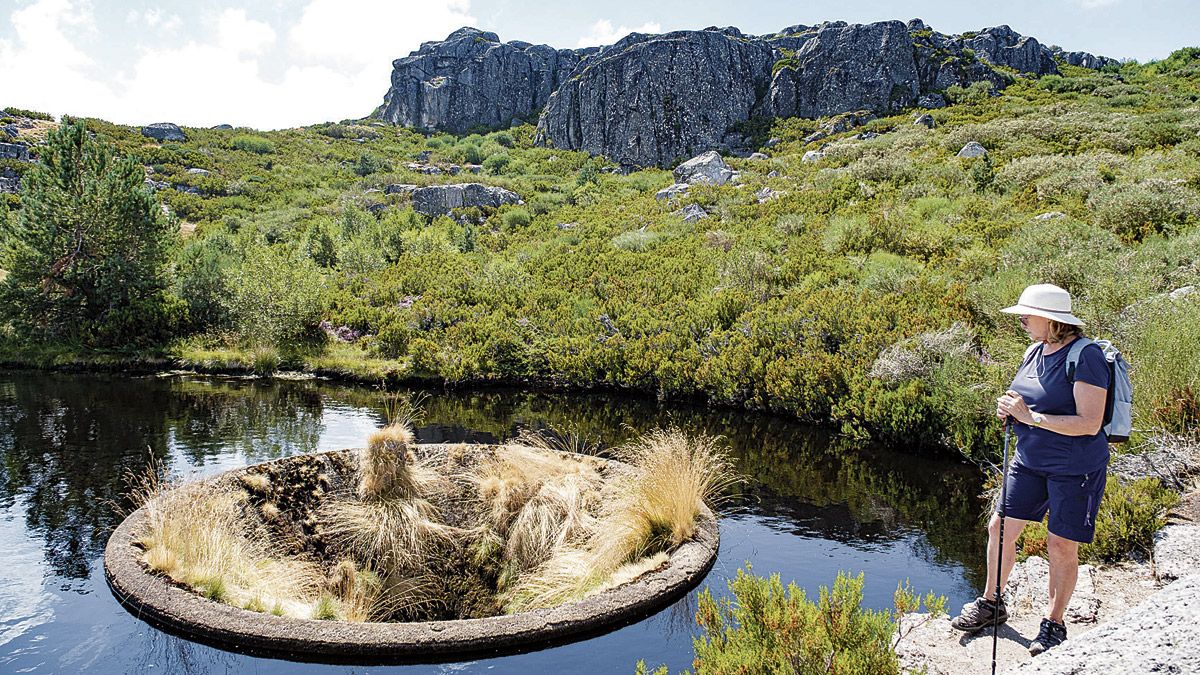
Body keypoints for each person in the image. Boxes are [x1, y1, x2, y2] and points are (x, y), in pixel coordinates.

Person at [951, 284, 1110, 657]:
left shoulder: (1086, 357)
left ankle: (1053, 623)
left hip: (1075, 468)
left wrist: (1031, 416)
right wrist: (1009, 410)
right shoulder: (1034, 350)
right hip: (1029, 460)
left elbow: (1089, 423)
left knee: (1061, 543)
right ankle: (992, 603)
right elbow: (1028, 400)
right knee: (1000, 526)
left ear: (1052, 319)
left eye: (1027, 314)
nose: (1021, 319)